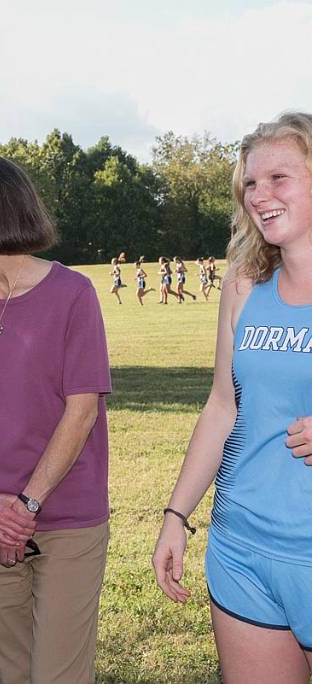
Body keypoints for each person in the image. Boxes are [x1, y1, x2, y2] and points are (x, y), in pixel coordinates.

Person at [0, 154, 112, 683]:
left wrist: (27, 504)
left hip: (66, 519)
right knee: (10, 672)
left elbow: (82, 411)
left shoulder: (73, 294)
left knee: (58, 674)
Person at [153, 112, 312, 681]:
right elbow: (224, 404)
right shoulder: (245, 282)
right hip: (242, 548)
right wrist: (176, 516)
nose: (259, 195)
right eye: (250, 182)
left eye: (279, 178)